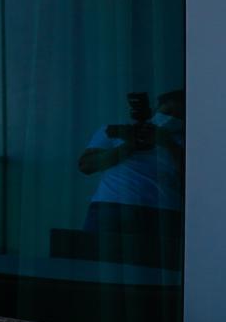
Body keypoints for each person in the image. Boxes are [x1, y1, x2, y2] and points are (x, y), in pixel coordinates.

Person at [77, 89, 185, 237]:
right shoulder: (118, 130)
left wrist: (167, 142)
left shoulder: (187, 142)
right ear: (157, 108)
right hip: (112, 206)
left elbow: (191, 178)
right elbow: (87, 165)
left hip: (162, 211)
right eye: (167, 111)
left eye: (178, 115)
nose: (170, 118)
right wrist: (131, 144)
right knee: (94, 256)